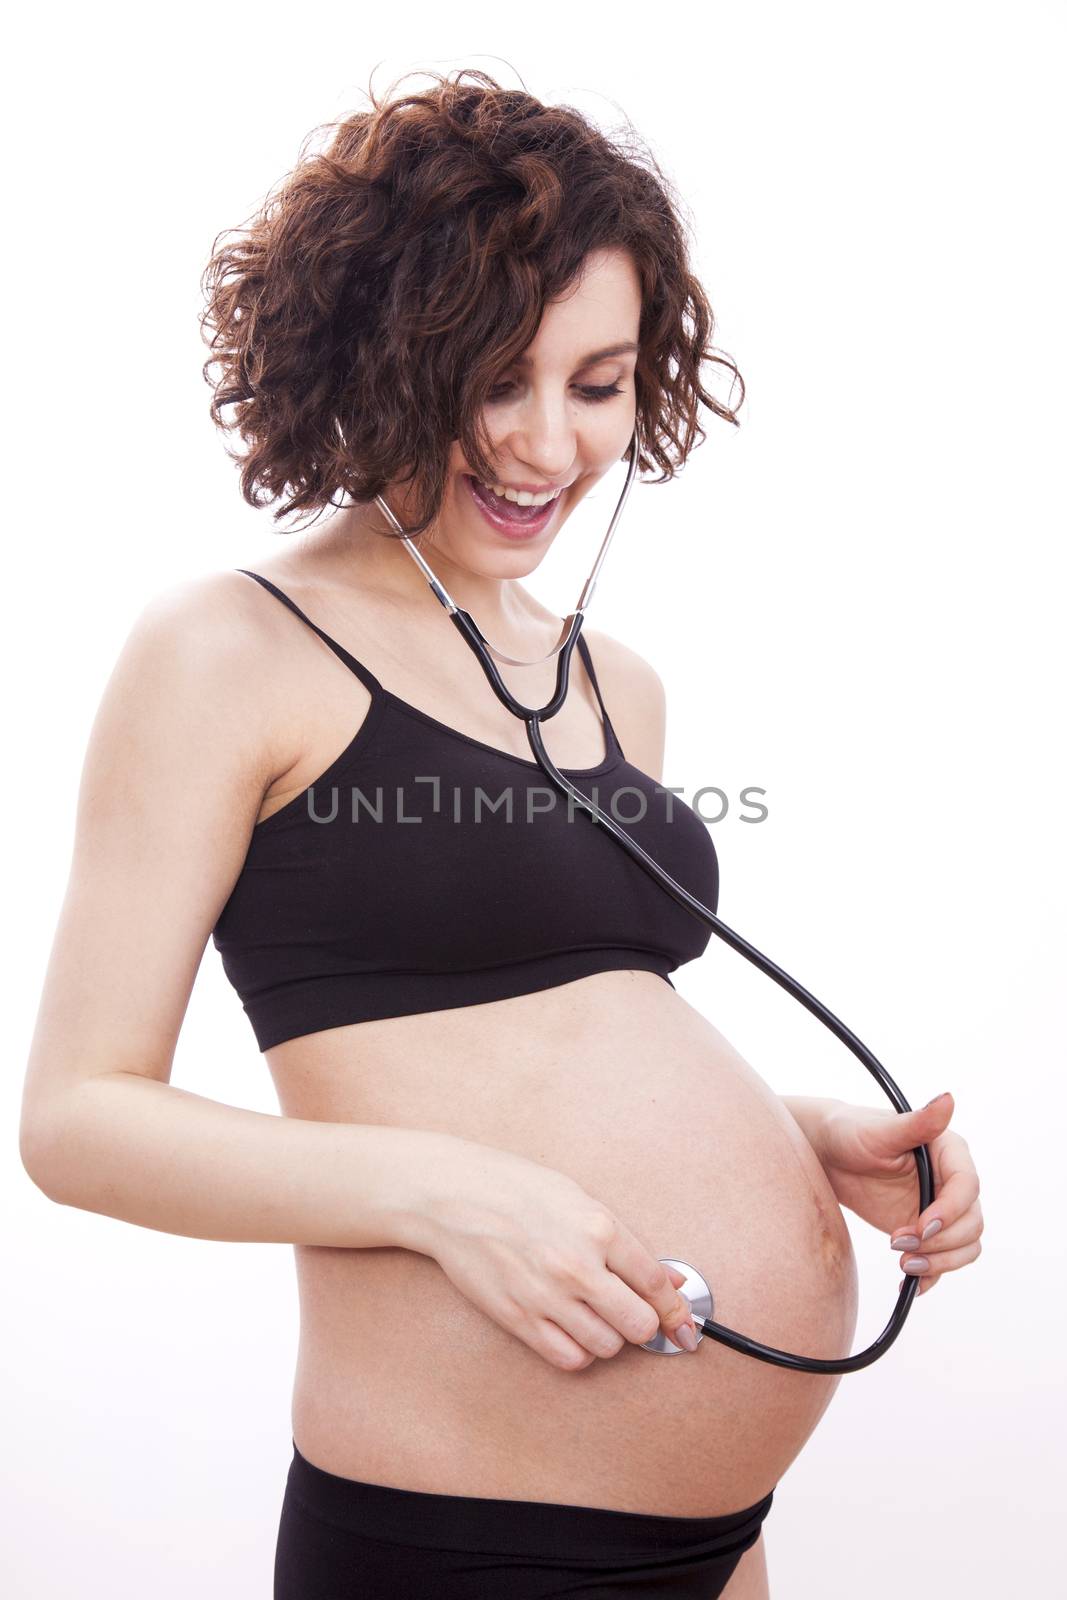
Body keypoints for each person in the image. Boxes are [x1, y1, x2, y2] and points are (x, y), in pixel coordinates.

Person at [19, 69, 983, 1600]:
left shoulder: (618, 685)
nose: (547, 444)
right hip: (468, 1543)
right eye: (494, 379)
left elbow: (556, 1034)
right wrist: (452, 1195)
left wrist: (795, 1142)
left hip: (715, 1544)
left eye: (597, 385)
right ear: (378, 359)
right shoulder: (230, 650)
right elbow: (75, 1119)